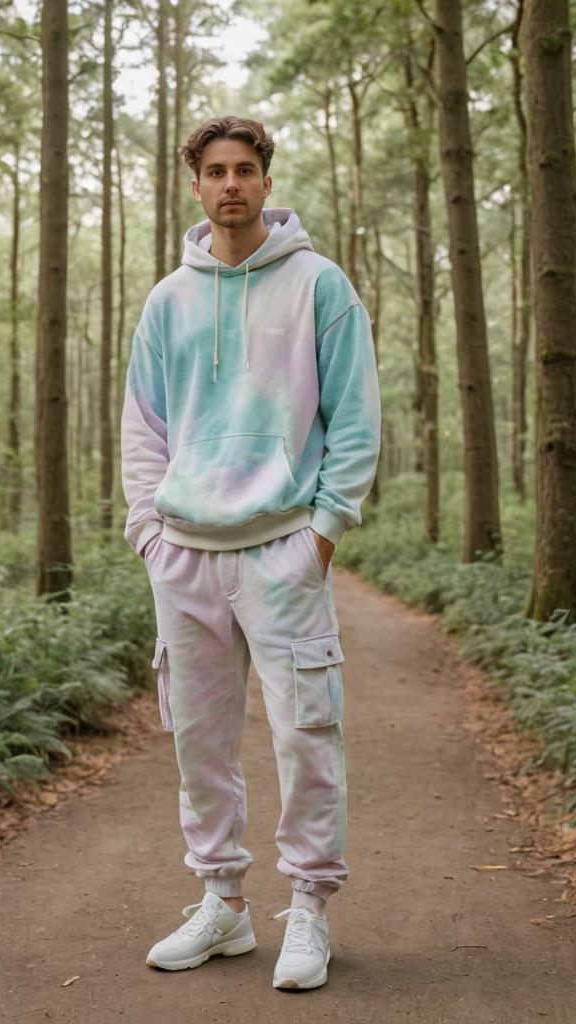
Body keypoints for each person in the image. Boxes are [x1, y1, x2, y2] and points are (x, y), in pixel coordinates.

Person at [120, 114, 380, 991]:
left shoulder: (319, 285)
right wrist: (149, 534)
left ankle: (308, 908)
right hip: (184, 554)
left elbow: (354, 419)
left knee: (307, 731)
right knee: (199, 740)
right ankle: (223, 906)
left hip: (282, 549)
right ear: (194, 186)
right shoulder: (168, 300)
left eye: (245, 169)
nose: (230, 184)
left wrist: (324, 533)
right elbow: (144, 429)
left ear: (267, 181)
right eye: (214, 171)